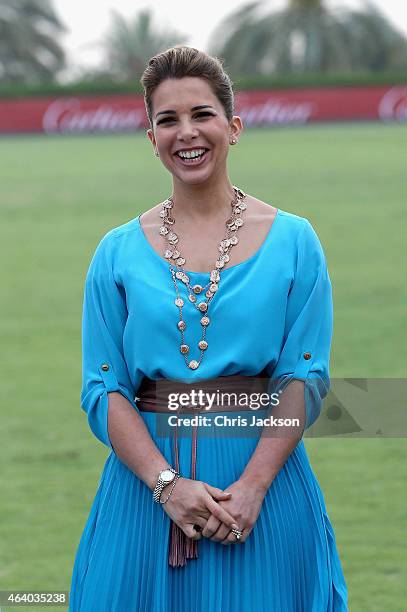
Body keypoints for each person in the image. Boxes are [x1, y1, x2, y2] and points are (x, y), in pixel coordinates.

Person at [69, 46, 348, 611]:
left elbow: (305, 377)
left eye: (201, 114)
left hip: (262, 495)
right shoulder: (115, 252)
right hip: (144, 497)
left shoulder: (295, 241)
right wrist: (167, 487)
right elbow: (104, 389)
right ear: (151, 138)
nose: (185, 133)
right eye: (167, 119)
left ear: (233, 127)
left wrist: (252, 488)